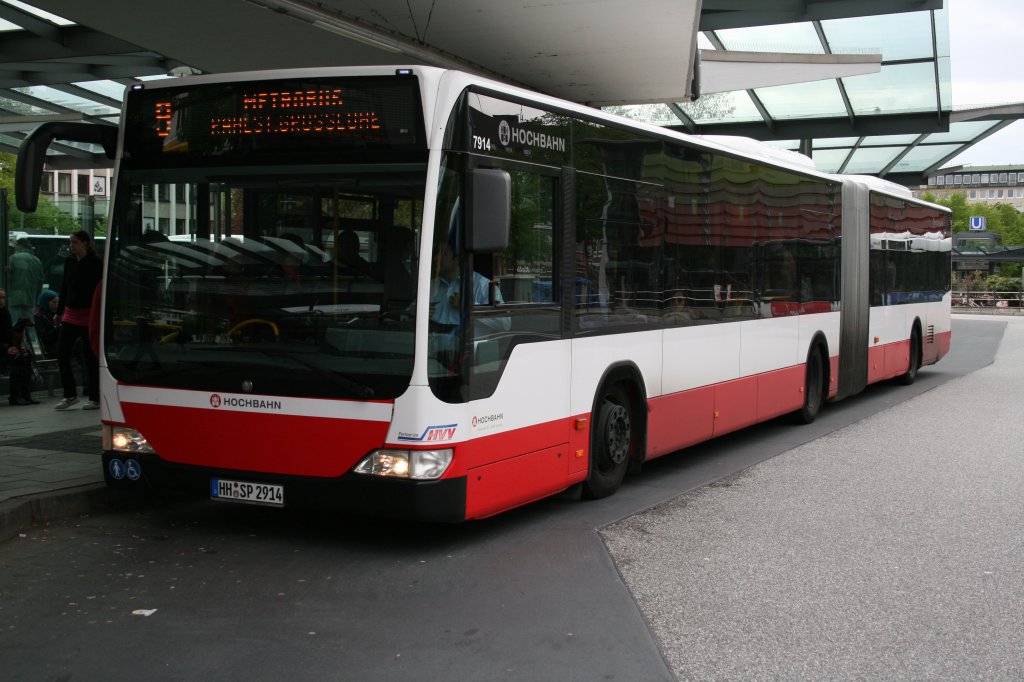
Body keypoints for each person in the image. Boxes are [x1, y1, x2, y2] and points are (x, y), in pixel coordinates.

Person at [55, 231, 102, 411]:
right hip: (71, 313)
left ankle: (95, 397)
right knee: (62, 352)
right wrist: (59, 312)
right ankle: (70, 395)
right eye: (70, 242)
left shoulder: (95, 263)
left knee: (90, 356)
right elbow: (65, 287)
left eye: (74, 242)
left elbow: (99, 288)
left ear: (85, 243)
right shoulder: (70, 262)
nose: (71, 246)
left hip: (89, 313)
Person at [7, 237, 44, 345]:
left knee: (14, 325)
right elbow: (40, 282)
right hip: (30, 298)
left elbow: (8, 278)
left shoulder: (12, 258)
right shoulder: (37, 261)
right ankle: (32, 347)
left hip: (13, 298)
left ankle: (15, 347)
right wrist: (36, 297)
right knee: (30, 326)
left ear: (19, 246)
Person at [6, 317, 39, 406]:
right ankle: (17, 396)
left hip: (11, 350)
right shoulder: (15, 331)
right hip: (7, 352)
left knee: (27, 358)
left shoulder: (20, 330)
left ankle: (25, 395)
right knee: (19, 362)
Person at [34, 289, 60, 358]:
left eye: (58, 302)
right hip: (51, 347)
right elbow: (45, 337)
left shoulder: (55, 314)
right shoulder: (39, 317)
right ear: (45, 302)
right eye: (54, 302)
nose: (57, 304)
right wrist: (58, 328)